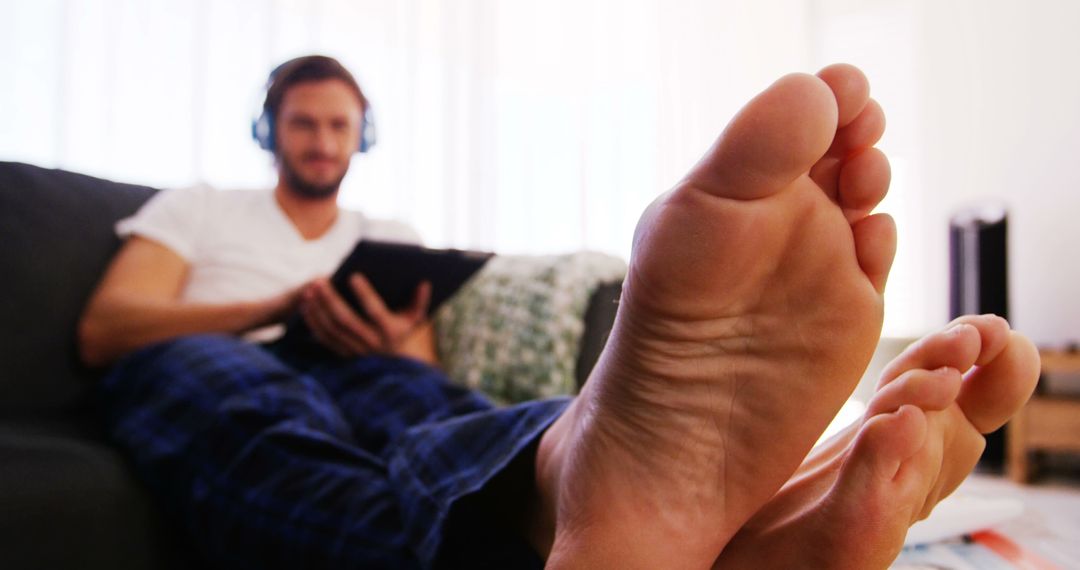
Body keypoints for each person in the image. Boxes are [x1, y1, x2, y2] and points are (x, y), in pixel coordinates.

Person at [79, 55, 1040, 569]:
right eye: (304, 121)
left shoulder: (389, 225)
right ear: (270, 130)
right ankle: (592, 509)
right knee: (268, 424)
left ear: (360, 135)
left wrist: (389, 339)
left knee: (434, 407)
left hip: (359, 365)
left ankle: (564, 473)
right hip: (218, 355)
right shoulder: (199, 206)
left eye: (340, 123)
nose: (324, 139)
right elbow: (108, 328)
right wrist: (281, 303)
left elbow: (416, 355)